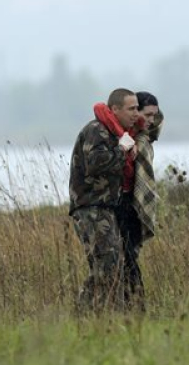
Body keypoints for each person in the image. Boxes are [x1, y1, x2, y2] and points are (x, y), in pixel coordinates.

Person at [89, 91, 163, 311]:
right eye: (146, 114)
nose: (150, 120)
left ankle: (125, 307)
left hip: (132, 203)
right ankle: (134, 307)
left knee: (129, 257)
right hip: (119, 202)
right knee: (124, 259)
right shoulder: (119, 134)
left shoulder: (142, 135)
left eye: (154, 115)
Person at [69, 88, 140, 312]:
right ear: (115, 109)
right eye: (132, 109)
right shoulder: (96, 130)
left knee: (109, 267)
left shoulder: (114, 132)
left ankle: (90, 316)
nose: (136, 113)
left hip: (104, 209)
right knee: (108, 267)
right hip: (91, 209)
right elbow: (96, 163)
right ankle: (99, 317)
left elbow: (151, 124)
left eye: (138, 108)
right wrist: (122, 149)